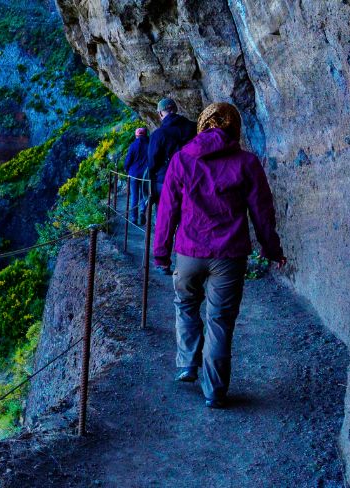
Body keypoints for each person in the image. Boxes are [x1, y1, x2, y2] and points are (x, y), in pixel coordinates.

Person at [150, 102, 286, 409]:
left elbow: (167, 211)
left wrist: (161, 253)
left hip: (189, 252)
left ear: (202, 125)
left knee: (185, 304)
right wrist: (271, 249)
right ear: (234, 127)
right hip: (229, 256)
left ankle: (186, 362)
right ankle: (214, 391)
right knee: (220, 321)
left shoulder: (182, 160)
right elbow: (262, 213)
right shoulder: (247, 163)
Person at [144, 98, 198, 199]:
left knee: (164, 211)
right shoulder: (194, 127)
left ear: (160, 114)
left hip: (168, 179)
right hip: (194, 176)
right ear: (176, 109)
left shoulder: (158, 135)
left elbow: (152, 163)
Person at [122, 127, 151, 223]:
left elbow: (128, 160)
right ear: (145, 134)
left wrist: (126, 169)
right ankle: (142, 211)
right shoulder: (149, 144)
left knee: (134, 195)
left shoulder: (133, 145)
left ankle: (134, 217)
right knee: (144, 194)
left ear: (136, 135)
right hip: (145, 174)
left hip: (134, 174)